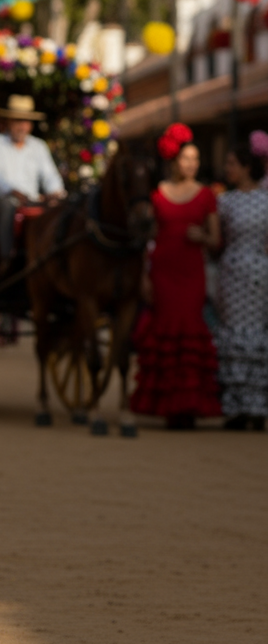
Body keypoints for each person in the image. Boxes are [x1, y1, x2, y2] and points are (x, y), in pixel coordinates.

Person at [131, 123, 221, 429]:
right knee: (165, 330)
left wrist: (203, 237)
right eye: (186, 158)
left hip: (191, 272)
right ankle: (165, 406)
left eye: (196, 159)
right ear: (174, 161)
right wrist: (144, 276)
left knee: (190, 330)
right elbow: (147, 239)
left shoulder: (207, 195)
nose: (192, 164)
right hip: (162, 271)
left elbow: (216, 240)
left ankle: (189, 406)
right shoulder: (157, 195)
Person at [215, 139, 268, 430]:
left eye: (232, 163)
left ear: (247, 167)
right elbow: (215, 239)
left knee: (256, 333)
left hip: (259, 273)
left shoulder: (266, 199)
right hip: (232, 273)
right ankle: (236, 407)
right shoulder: (225, 201)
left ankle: (257, 407)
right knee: (233, 335)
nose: (227, 169)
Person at [0, 94, 65, 263]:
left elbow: (50, 175)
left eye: (26, 121)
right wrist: (12, 191)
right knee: (9, 205)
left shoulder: (38, 146)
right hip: (0, 200)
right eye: (18, 120)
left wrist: (56, 193)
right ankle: (7, 259)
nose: (22, 126)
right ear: (8, 122)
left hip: (32, 201)